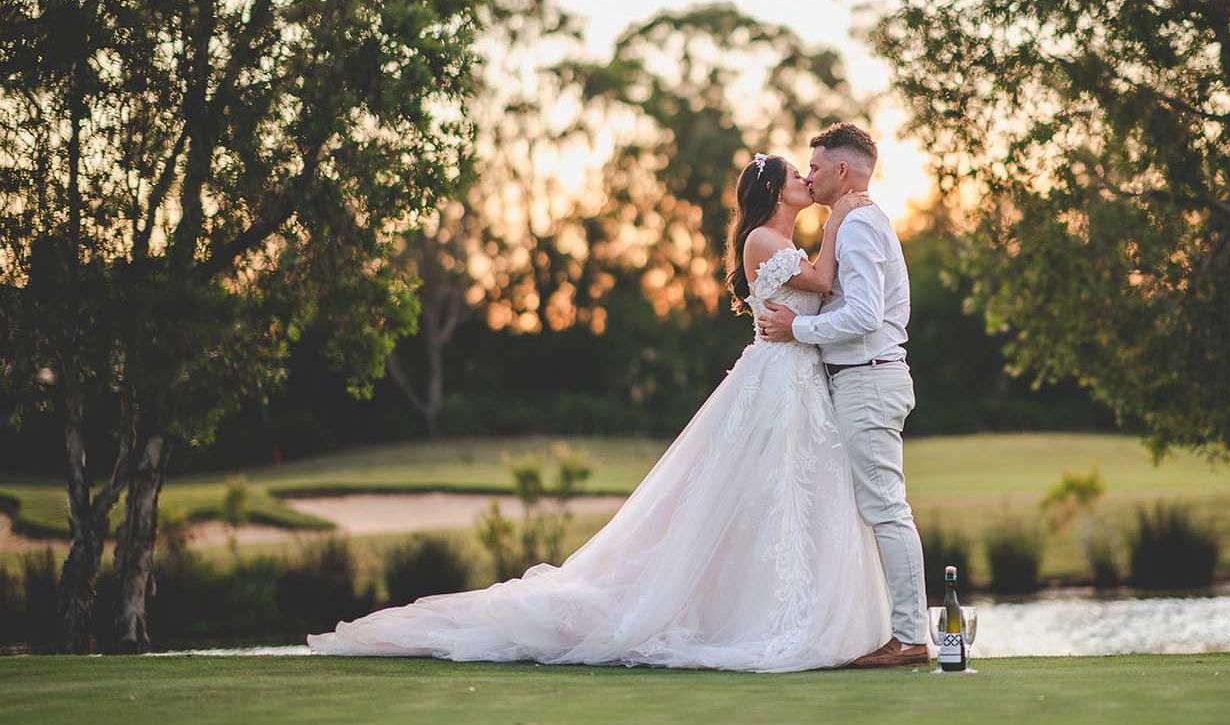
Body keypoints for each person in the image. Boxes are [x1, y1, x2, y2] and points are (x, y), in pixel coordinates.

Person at [307, 147, 900, 672]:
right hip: (778, 380)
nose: (807, 177)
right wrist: (842, 218)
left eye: (811, 171)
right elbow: (824, 280)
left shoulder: (783, 241)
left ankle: (777, 610)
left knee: (780, 499)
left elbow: (819, 288)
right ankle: (753, 620)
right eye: (798, 173)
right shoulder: (765, 242)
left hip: (798, 378)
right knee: (759, 494)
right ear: (775, 191)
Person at [757, 123, 928, 668]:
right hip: (858, 379)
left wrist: (796, 330)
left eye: (815, 166)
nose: (808, 175)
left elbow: (863, 316)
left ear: (842, 171)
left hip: (869, 377)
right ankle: (887, 631)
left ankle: (910, 639)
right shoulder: (848, 222)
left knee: (886, 509)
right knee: (874, 508)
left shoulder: (855, 226)